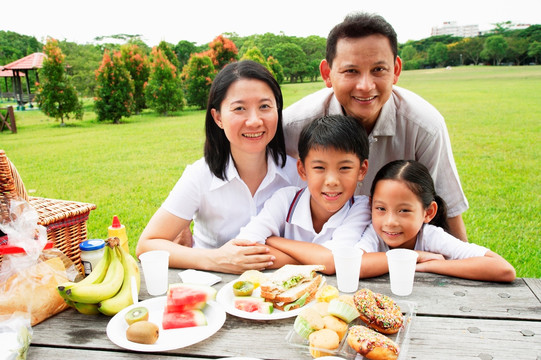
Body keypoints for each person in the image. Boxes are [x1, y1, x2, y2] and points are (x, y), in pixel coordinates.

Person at [282, 12, 469, 242]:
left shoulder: (424, 126)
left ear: (396, 70)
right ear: (327, 74)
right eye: (351, 71)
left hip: (394, 246)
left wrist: (465, 266)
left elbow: (447, 207)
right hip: (319, 245)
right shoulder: (293, 125)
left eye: (378, 70)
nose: (365, 86)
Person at [136, 60, 304, 274]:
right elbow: (147, 244)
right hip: (211, 289)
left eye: (264, 106)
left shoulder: (299, 174)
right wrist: (215, 259)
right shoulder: (200, 176)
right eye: (239, 108)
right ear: (218, 117)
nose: (254, 121)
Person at [235, 114, 371, 274]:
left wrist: (273, 241)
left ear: (361, 170)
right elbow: (243, 246)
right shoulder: (285, 200)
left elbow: (334, 260)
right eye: (319, 168)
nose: (332, 181)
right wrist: (316, 258)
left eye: (345, 168)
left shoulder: (361, 207)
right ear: (302, 170)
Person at [357, 160, 515, 282]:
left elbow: (504, 269)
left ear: (429, 212)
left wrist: (432, 265)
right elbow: (356, 265)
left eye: (404, 210)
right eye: (381, 209)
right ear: (371, 205)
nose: (390, 222)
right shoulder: (374, 233)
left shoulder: (430, 236)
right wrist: (415, 256)